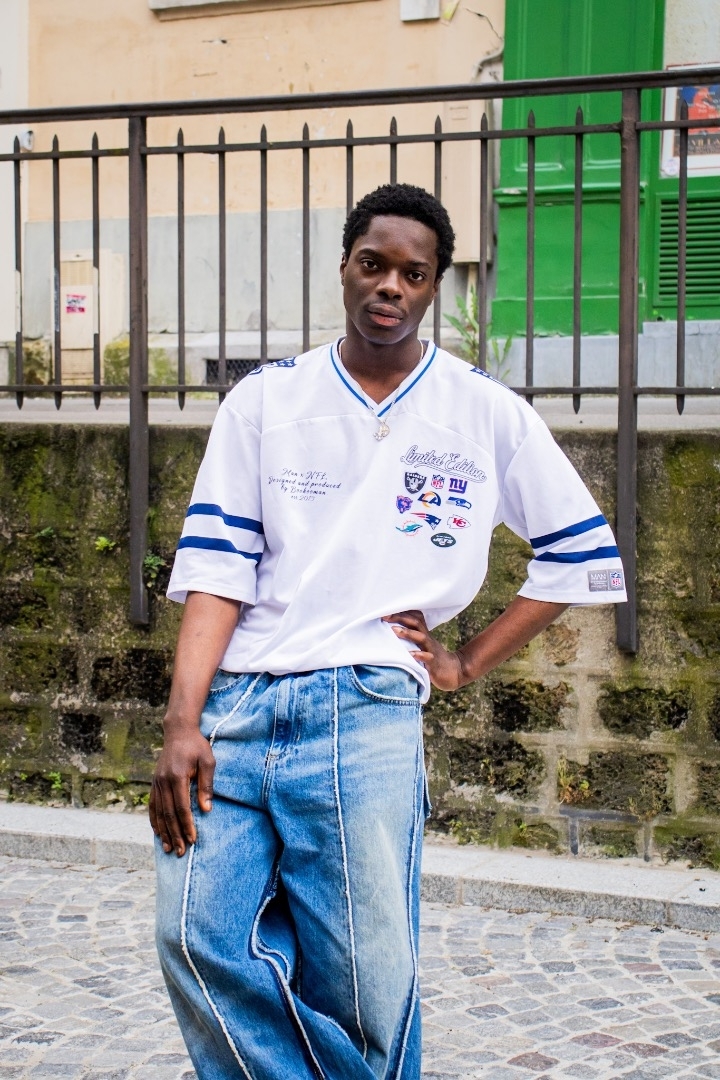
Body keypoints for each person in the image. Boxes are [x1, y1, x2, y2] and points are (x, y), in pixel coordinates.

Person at [151, 182, 627, 1080]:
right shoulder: (266, 399)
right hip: (238, 710)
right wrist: (182, 722)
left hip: (365, 710)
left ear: (434, 286)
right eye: (374, 265)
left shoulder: (481, 410)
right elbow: (218, 570)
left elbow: (581, 553)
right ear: (345, 268)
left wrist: (463, 662)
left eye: (414, 274)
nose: (390, 288)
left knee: (365, 988)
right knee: (194, 936)